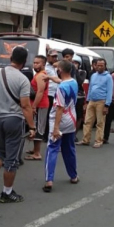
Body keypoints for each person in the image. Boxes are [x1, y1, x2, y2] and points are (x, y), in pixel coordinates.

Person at [0, 47, 36, 203]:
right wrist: (32, 127)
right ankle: (7, 192)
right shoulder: (22, 79)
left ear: (11, 57)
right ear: (24, 62)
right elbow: (25, 106)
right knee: (11, 158)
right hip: (14, 119)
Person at [43, 60, 80, 192]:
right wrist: (50, 77)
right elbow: (60, 80)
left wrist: (56, 128)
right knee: (69, 149)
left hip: (59, 120)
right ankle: (73, 176)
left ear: (61, 70)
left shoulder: (60, 89)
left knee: (52, 149)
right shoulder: (73, 82)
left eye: (58, 68)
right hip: (71, 120)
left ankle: (49, 180)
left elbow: (59, 108)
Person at [80, 59, 113, 148]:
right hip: (91, 101)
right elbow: (90, 88)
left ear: (105, 66)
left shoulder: (108, 77)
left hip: (101, 101)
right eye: (98, 65)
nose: (99, 67)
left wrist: (107, 105)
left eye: (101, 65)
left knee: (100, 122)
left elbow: (110, 92)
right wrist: (87, 101)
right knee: (87, 121)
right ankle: (85, 139)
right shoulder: (93, 75)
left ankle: (98, 141)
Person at [25, 55, 49, 161]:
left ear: (43, 64)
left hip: (40, 105)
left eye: (38, 63)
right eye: (34, 62)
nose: (35, 64)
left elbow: (40, 92)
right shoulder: (39, 74)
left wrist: (34, 106)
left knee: (39, 128)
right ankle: (35, 150)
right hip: (38, 105)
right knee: (35, 126)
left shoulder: (40, 76)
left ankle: (37, 153)